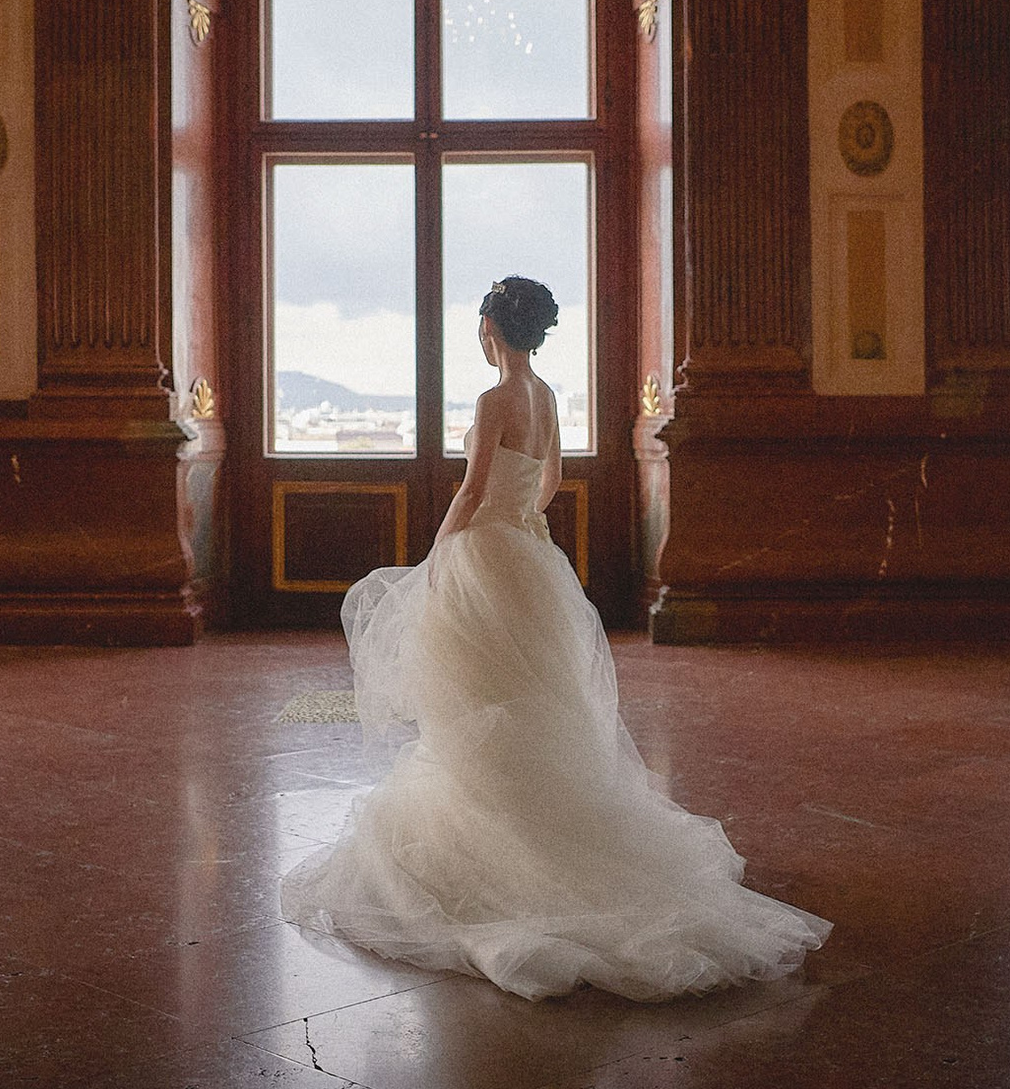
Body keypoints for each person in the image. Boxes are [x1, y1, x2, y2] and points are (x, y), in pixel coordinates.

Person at [281, 275, 830, 1002]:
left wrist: (443, 553)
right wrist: (523, 528)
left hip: (485, 555)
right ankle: (547, 819)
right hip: (532, 561)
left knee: (475, 699)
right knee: (536, 696)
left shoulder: (492, 401)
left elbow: (472, 491)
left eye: (479, 325)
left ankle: (498, 838)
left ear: (490, 329)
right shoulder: (544, 397)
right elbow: (550, 481)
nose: (478, 335)